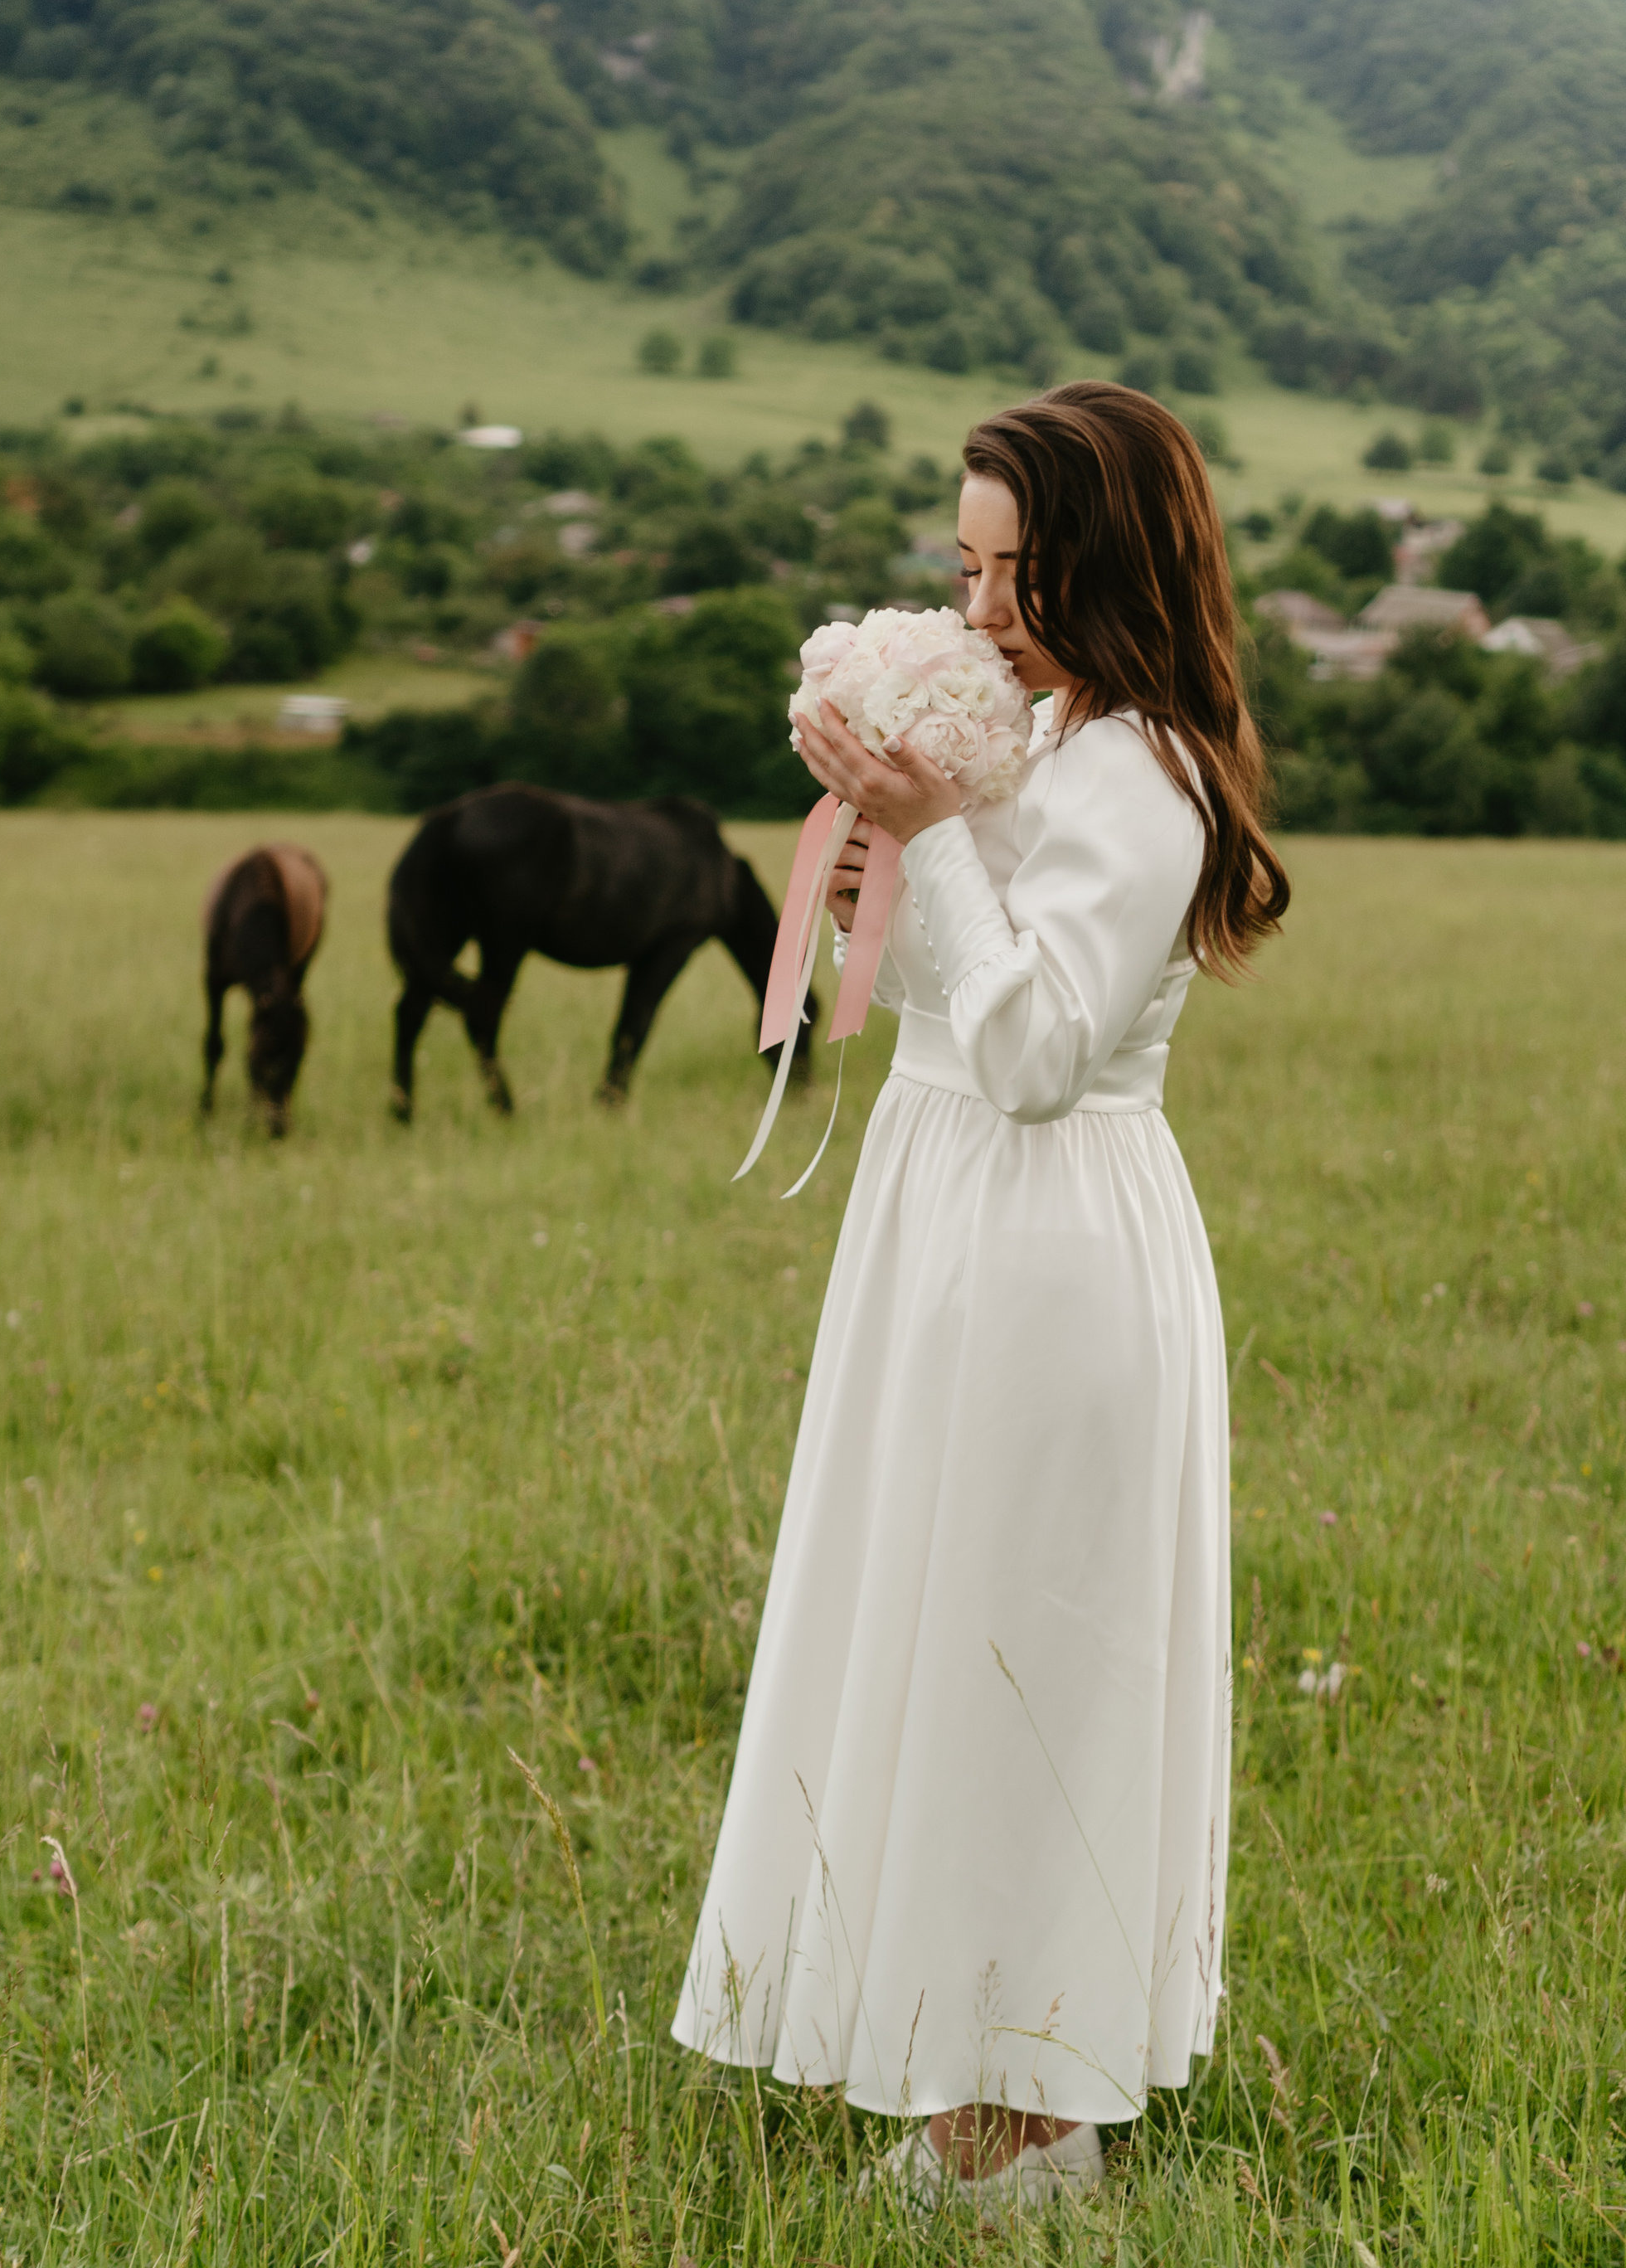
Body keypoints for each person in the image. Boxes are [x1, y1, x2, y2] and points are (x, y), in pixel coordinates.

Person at [672, 382, 1290, 2213]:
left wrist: (925, 826)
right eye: (967, 564)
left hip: (1048, 1241)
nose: (985, 605)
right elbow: (949, 992)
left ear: (1117, 562)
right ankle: (947, 2065)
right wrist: (890, 838)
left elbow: (1031, 1051)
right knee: (934, 1628)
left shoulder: (1147, 771)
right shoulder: (1040, 737)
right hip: (941, 1224)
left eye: (1023, 568)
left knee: (1032, 1645)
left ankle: (1028, 2117)